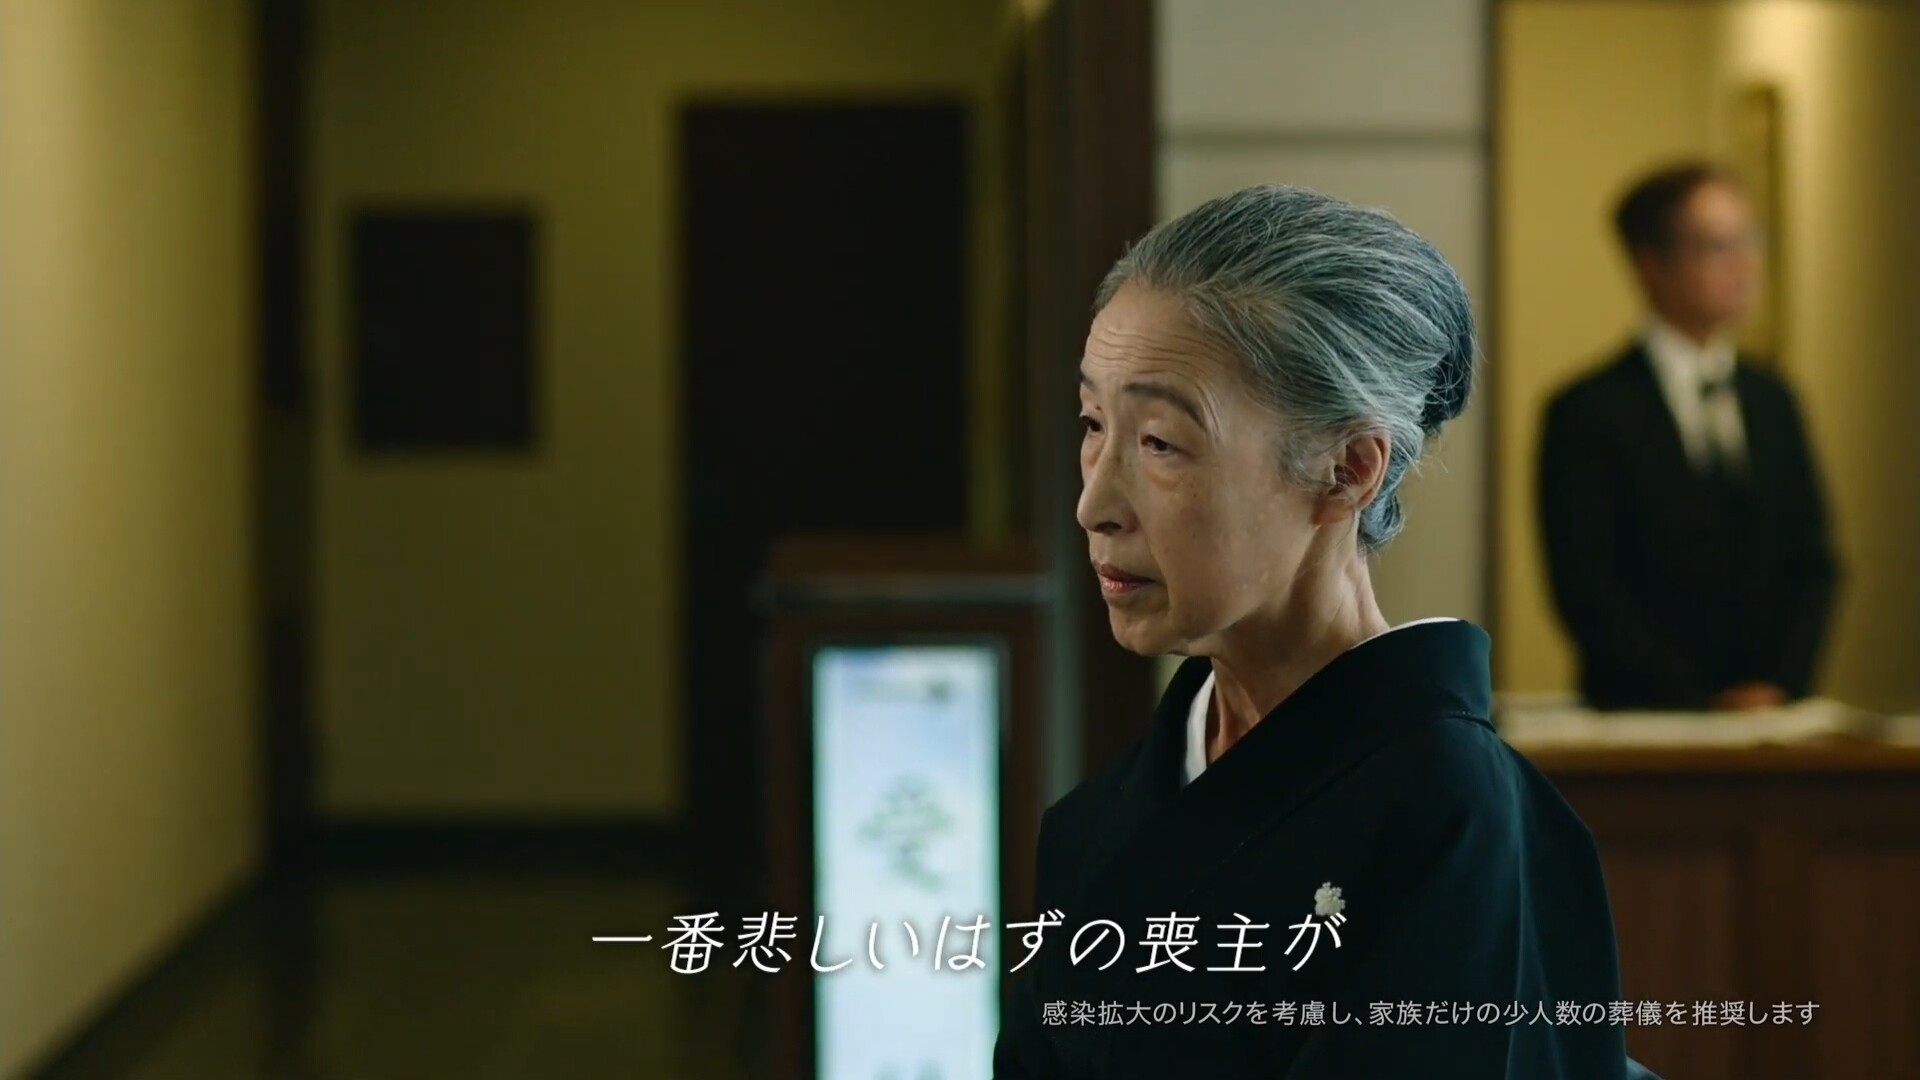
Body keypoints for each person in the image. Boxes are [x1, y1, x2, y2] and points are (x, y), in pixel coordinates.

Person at [993, 185, 1657, 1078]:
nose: (1095, 503)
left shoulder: (1450, 809)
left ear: (1347, 469)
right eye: (1093, 425)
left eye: (1160, 443)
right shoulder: (1094, 824)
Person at [1538, 162, 1840, 711]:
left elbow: (1813, 563)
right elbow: (1587, 588)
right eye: (1717, 246)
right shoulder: (1587, 411)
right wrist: (1701, 700)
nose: (1744, 265)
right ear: (1652, 264)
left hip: (1774, 720)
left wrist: (1778, 685)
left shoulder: (1774, 400)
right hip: (1643, 719)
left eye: (1750, 241)